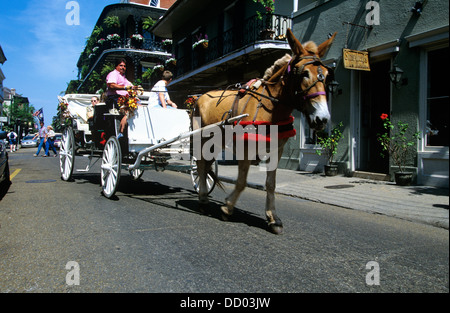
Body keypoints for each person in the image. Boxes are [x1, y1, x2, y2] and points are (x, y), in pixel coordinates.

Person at [105, 58, 140, 139]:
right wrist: (125, 88)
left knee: (139, 107)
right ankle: (121, 132)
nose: (123, 67)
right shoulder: (113, 74)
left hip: (124, 98)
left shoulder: (123, 77)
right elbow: (111, 85)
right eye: (120, 65)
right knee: (129, 111)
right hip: (115, 98)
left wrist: (136, 88)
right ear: (116, 66)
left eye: (124, 66)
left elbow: (130, 86)